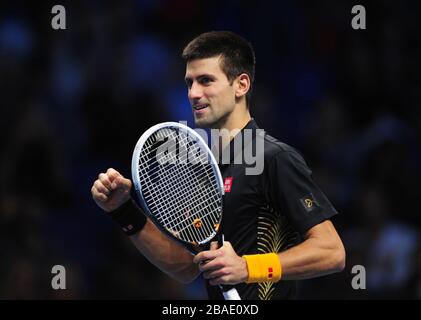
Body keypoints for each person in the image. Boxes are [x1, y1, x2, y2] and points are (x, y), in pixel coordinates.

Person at [91, 31, 345, 300]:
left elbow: (332, 252)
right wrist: (123, 211)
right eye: (189, 83)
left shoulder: (274, 157)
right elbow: (187, 267)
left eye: (205, 81)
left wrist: (247, 267)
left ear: (241, 85)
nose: (193, 93)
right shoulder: (203, 171)